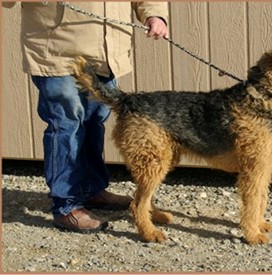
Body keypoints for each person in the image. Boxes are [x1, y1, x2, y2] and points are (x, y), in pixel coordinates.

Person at [3, 2, 169, 233]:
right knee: (66, 124)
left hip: (107, 53)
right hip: (58, 50)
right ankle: (66, 206)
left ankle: (92, 190)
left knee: (94, 122)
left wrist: (155, 16)